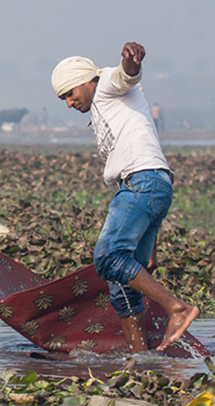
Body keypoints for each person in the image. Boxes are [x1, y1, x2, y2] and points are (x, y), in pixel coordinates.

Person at [50, 42, 198, 353]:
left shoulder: (106, 87)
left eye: (69, 93)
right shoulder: (107, 107)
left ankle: (177, 308)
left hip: (142, 183)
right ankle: (140, 359)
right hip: (148, 186)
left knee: (108, 258)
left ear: (87, 80)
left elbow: (125, 75)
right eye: (62, 98)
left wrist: (130, 61)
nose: (68, 102)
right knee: (121, 283)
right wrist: (151, 245)